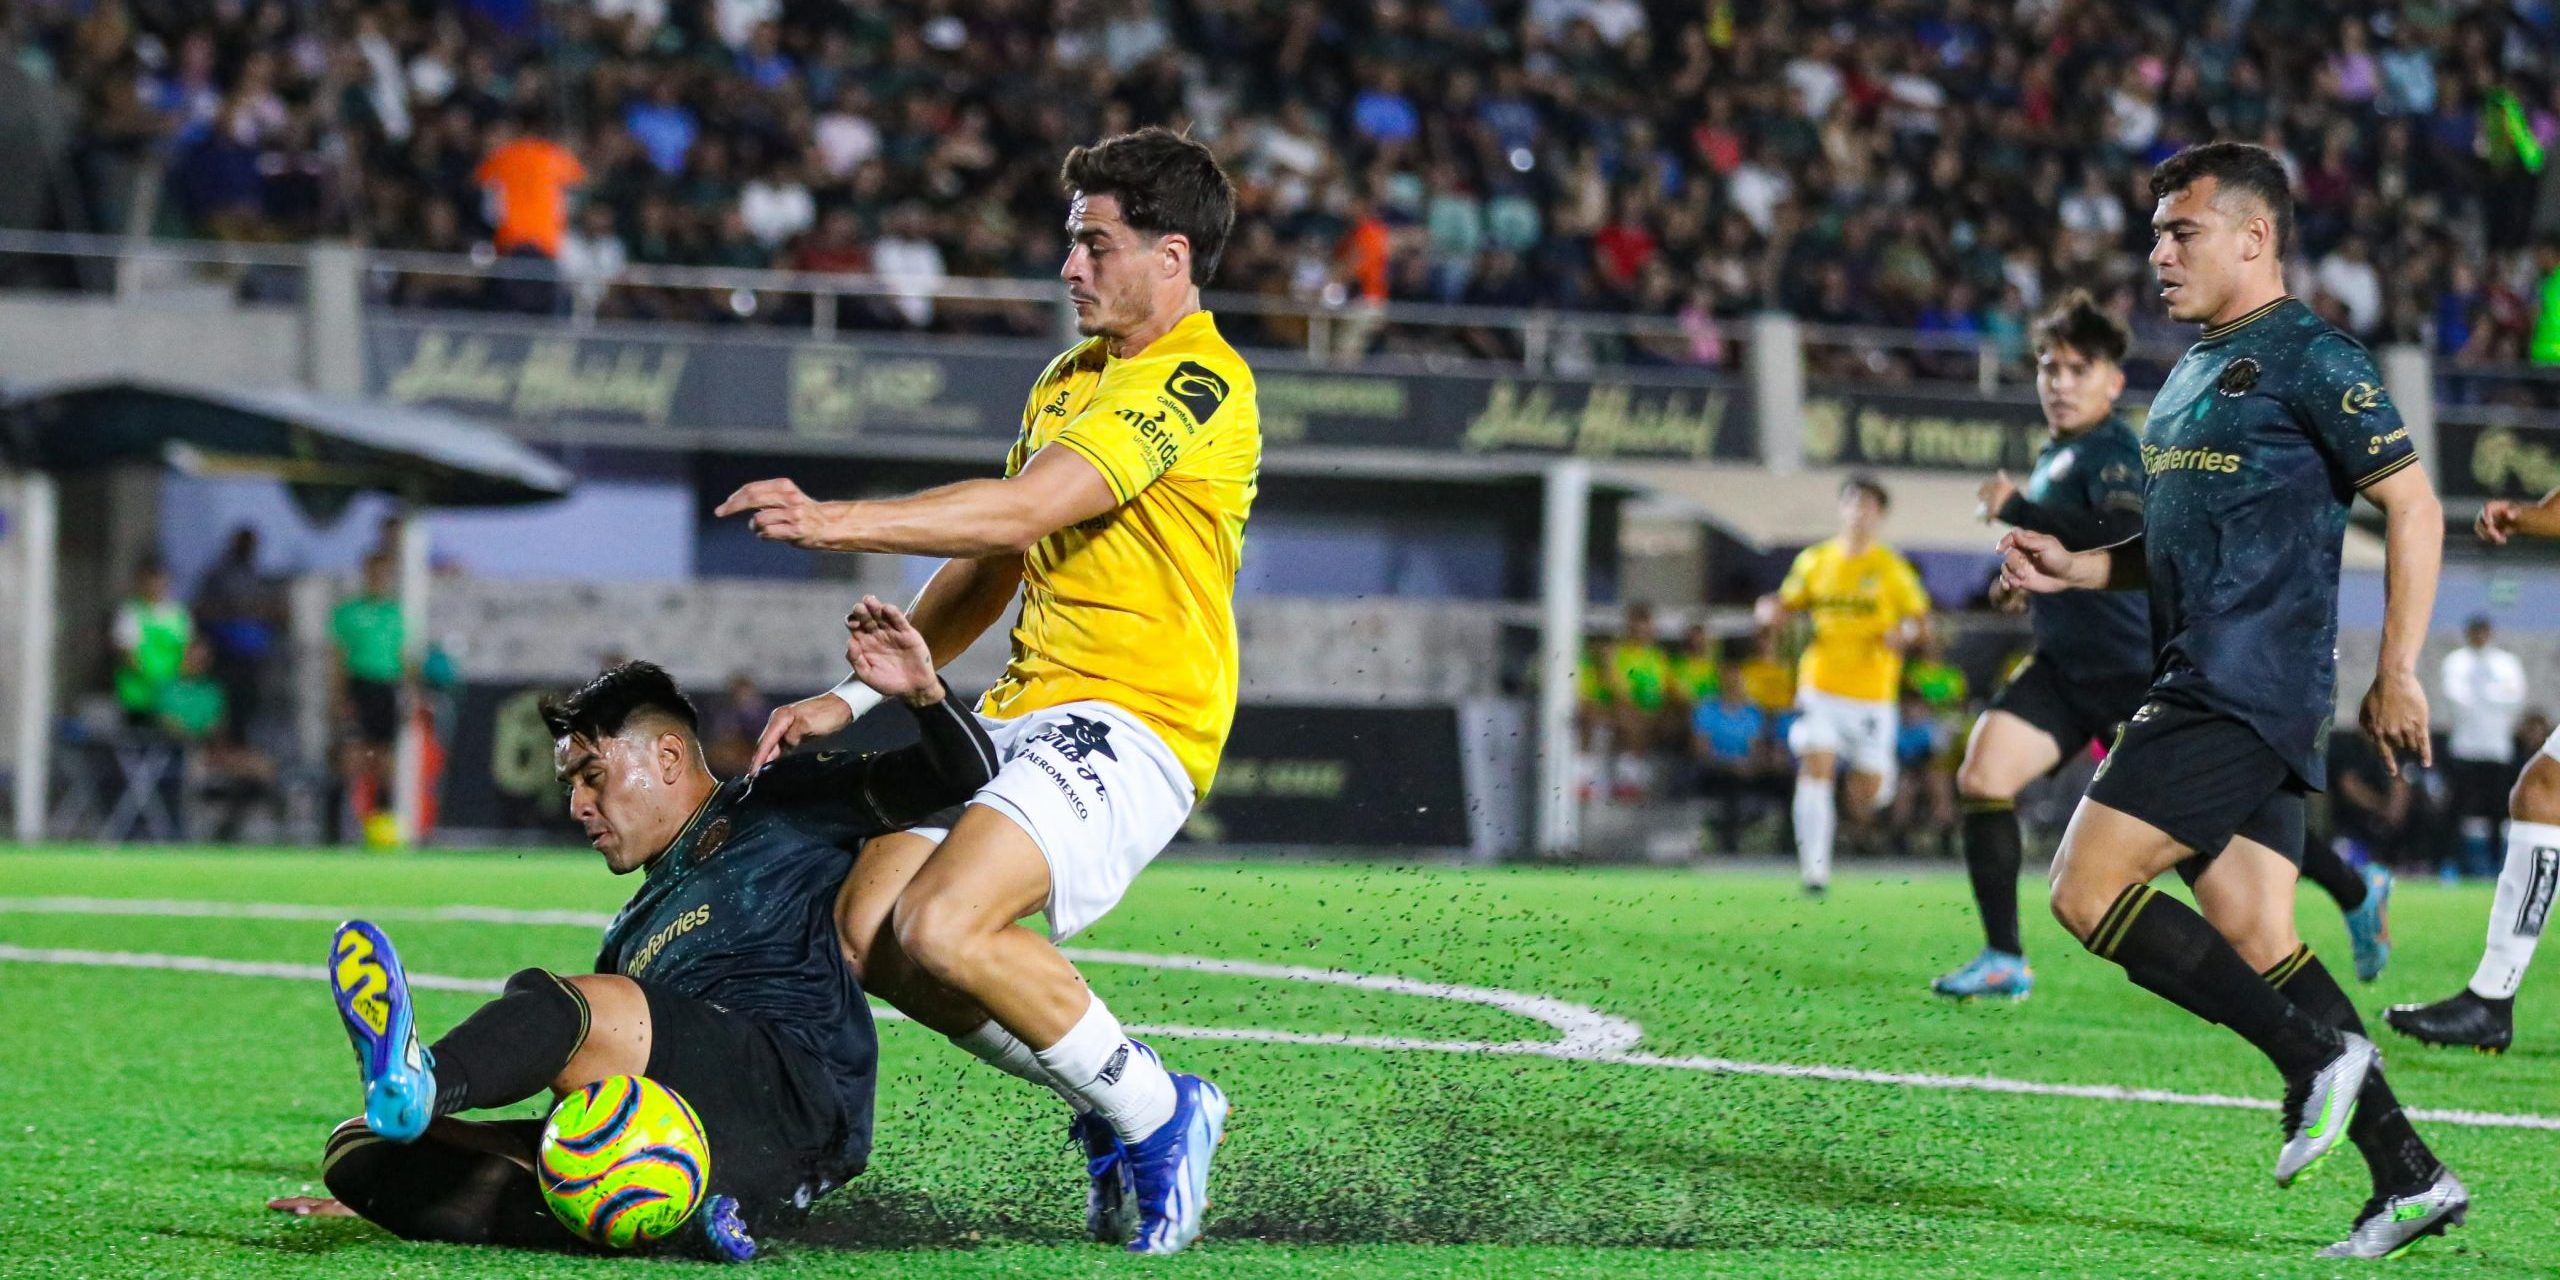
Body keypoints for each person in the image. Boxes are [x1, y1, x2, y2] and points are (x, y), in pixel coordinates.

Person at [711, 128, 1252, 1255]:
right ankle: (1115, 1102)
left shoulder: (1199, 379)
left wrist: (833, 518)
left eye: (1094, 244)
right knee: (870, 931)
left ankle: (1157, 1111)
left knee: (948, 921)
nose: (1069, 267)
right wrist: (847, 700)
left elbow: (1019, 511)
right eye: (1070, 243)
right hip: (1022, 706)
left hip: (1135, 717)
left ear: (1172, 254)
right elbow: (992, 566)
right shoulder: (1068, 377)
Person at [2000, 142, 2460, 1258]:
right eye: (2156, 231)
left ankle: (2316, 1060)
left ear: (2254, 237)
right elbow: (2167, 543)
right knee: (2258, 930)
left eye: (2180, 229)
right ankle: (2410, 1174)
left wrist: (2395, 668)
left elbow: (2414, 507)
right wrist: (2075, 565)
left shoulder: (2312, 354)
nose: (2157, 251)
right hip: (2207, 670)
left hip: (2238, 682)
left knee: (2083, 887)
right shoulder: (2194, 374)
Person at [269, 603, 997, 1259]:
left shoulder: (776, 802)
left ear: (668, 758)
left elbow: (964, 771)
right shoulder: (630, 930)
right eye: (569, 788)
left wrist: (926, 696)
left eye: (592, 776)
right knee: (360, 1148)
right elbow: (586, 1107)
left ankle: (424, 1080)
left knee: (566, 1005)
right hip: (697, 1138)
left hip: (793, 1090)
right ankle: (691, 1224)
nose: (579, 805)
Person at [1936, 292, 2150, 1001]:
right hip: (2064, 670)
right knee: (1983, 776)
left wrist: (2016, 509)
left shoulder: (2114, 448)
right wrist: (2021, 581)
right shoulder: (2058, 452)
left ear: (2112, 381)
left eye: (2077, 368)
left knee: (2220, 840)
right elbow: (2065, 553)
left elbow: (2120, 535)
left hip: (2133, 671)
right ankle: (2003, 957)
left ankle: (2351, 885)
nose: (2059, 382)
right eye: (2048, 368)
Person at [2389, 485, 2560, 1053]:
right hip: (2469, 747)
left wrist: (2530, 519)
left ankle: (2491, 1001)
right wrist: (2528, 519)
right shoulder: (2467, 661)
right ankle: (2490, 1000)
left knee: (2542, 793)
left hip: (2488, 746)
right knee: (2541, 794)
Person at [1755, 475, 1930, 896]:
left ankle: (1879, 784)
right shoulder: (1815, 561)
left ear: (1880, 515)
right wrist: (1768, 609)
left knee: (1867, 796)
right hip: (1820, 687)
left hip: (1871, 697)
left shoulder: (1891, 568)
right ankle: (1815, 874)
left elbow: (1919, 622)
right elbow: (1786, 602)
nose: (1858, 512)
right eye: (1852, 503)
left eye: (1867, 505)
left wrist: (1903, 634)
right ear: (1842, 509)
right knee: (1815, 767)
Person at [2437, 614, 2526, 877]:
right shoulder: (2456, 662)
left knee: (2499, 812)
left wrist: (2482, 696)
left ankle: (2499, 865)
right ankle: (2450, 863)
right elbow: (2456, 698)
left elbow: (2514, 698)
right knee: (2457, 810)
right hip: (2465, 748)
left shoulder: (2506, 663)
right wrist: (2489, 696)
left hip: (2497, 749)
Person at [334, 552, 406, 846]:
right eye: (375, 574)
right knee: (354, 757)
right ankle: (338, 826)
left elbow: (403, 657)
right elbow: (337, 657)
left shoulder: (395, 614)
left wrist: (410, 692)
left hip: (386, 688)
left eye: (385, 574)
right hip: (359, 685)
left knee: (385, 760)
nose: (380, 580)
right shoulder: (349, 612)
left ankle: (380, 825)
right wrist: (340, 696)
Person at [1691, 678, 1778, 852]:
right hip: (1716, 770)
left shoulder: (1753, 713)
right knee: (1729, 783)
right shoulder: (1707, 710)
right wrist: (1730, 765)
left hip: (1747, 770)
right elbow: (1701, 751)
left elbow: (1757, 749)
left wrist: (1750, 765)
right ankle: (1729, 841)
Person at [111, 558, 191, 731]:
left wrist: (172, 685)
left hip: (169, 696)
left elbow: (185, 652)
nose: (156, 586)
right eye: (152, 581)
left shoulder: (178, 613)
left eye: (161, 580)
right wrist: (155, 682)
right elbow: (127, 654)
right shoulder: (131, 612)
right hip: (137, 697)